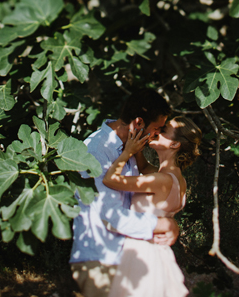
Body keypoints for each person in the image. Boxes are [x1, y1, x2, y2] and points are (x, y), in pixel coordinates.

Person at [70, 89, 180, 297]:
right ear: (138, 122)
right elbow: (110, 215)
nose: (156, 134)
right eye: (156, 128)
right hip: (101, 261)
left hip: (124, 259)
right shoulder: (96, 151)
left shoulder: (130, 148)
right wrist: (165, 225)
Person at [103, 116, 202, 297]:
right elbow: (143, 167)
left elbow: (110, 180)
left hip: (141, 253)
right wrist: (138, 148)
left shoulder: (160, 180)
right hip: (159, 254)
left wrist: (127, 152)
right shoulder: (177, 179)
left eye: (163, 131)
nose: (156, 131)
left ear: (174, 144)